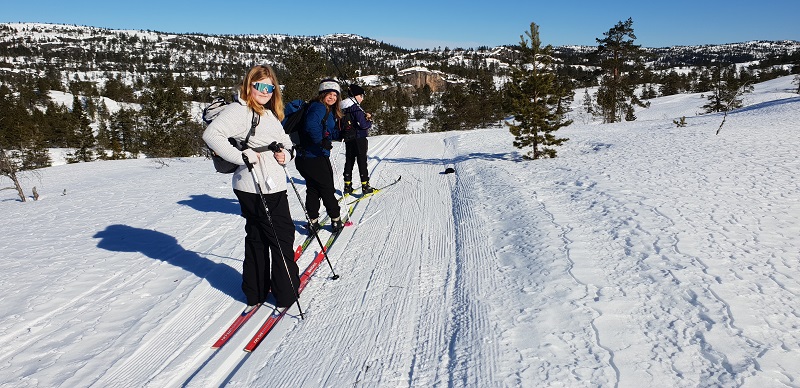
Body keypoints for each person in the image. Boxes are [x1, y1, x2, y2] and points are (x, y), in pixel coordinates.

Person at [202, 65, 299, 310]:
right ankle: (286, 293)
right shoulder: (241, 110)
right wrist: (241, 156)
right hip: (259, 185)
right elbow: (212, 135)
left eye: (270, 87)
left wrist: (286, 155)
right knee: (281, 237)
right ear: (249, 85)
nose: (266, 91)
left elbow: (287, 143)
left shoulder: (268, 113)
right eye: (260, 86)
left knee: (257, 236)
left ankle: (254, 291)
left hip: (265, 183)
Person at [294, 78, 344, 232]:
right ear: (322, 94)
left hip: (306, 157)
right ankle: (336, 220)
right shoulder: (318, 107)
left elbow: (328, 131)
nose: (332, 98)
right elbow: (311, 126)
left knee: (313, 189)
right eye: (329, 94)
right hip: (315, 157)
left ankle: (313, 221)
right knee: (327, 189)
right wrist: (321, 141)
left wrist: (342, 133)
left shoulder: (325, 109)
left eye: (335, 95)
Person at [340, 84, 374, 195]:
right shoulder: (356, 108)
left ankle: (347, 186)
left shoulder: (344, 107)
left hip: (348, 138)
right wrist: (369, 120)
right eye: (362, 96)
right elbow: (363, 125)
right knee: (362, 161)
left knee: (349, 161)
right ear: (356, 96)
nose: (362, 98)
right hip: (359, 138)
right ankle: (365, 186)